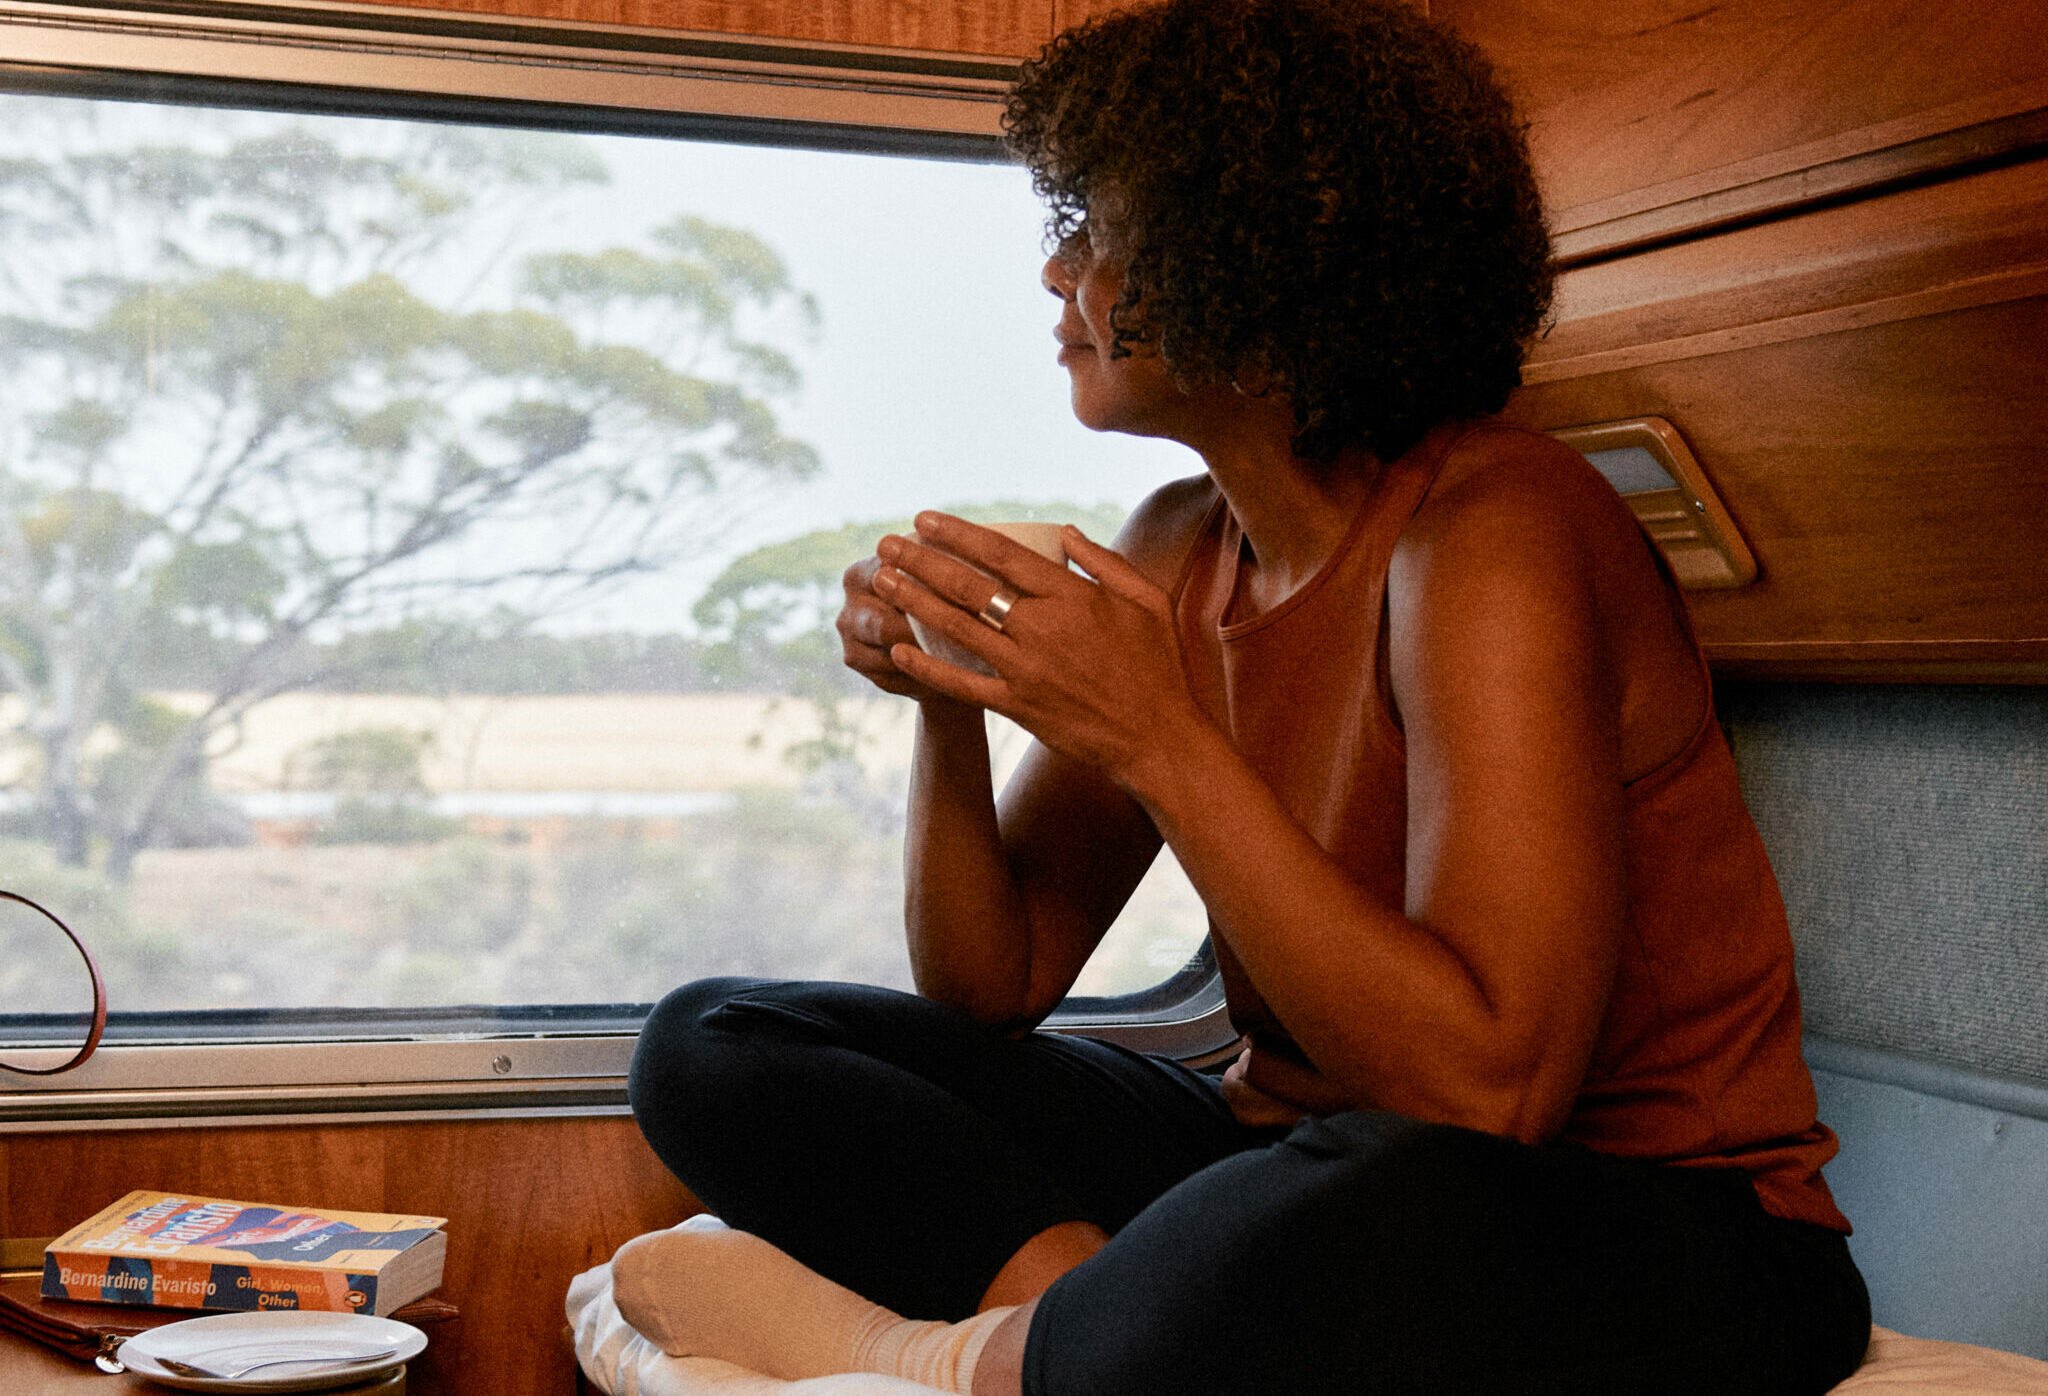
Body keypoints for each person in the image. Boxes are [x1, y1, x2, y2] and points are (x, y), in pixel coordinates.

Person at [617, 1, 1873, 1392]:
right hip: (1301, 1163)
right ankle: (1062, 1331)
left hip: (1651, 1224)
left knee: (1361, 1195)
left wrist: (1158, 735)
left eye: (1101, 229)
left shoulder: (1495, 532)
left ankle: (951, 1359)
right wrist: (947, 696)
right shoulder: (1177, 543)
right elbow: (991, 985)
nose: (1058, 269)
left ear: (1259, 261)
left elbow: (1490, 1092)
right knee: (714, 1044)